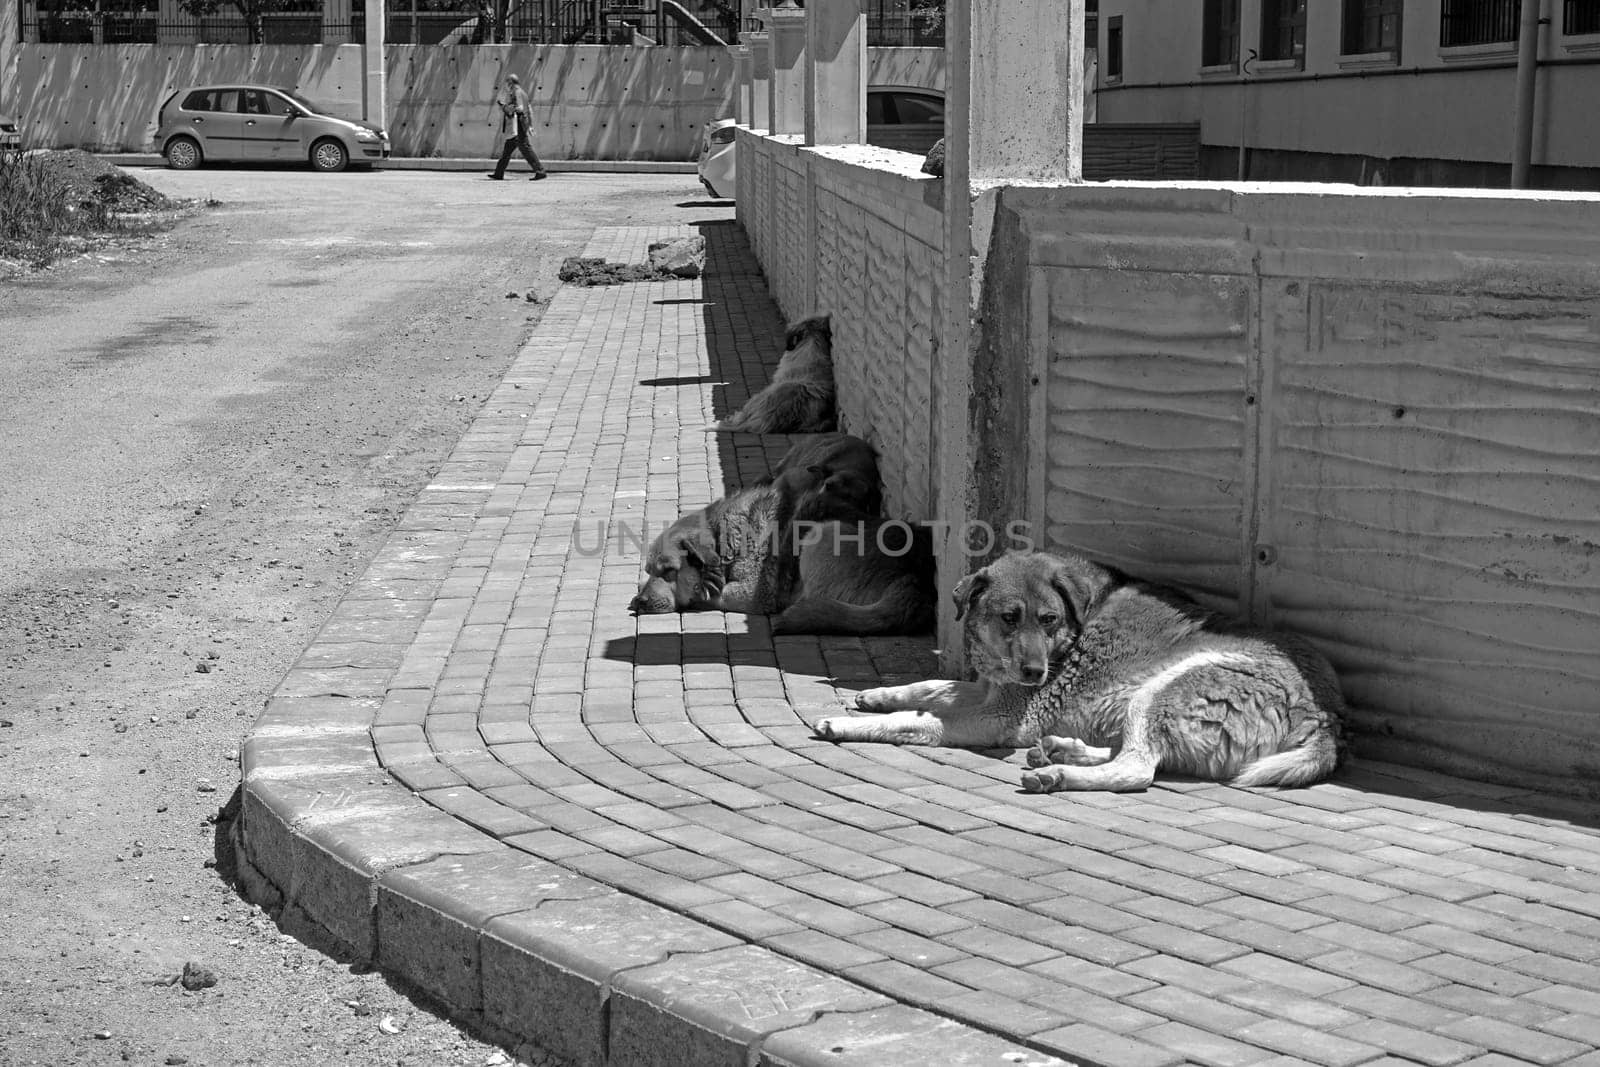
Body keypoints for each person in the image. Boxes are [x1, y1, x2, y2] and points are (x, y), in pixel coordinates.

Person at [488, 73, 547, 181]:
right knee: (508, 149)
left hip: (518, 124)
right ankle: (498, 173)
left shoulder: (516, 92)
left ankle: (540, 171)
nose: (506, 86)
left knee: (525, 148)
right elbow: (529, 109)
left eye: (507, 83)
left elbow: (519, 108)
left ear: (510, 83)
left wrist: (505, 106)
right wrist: (530, 125)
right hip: (520, 124)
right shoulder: (523, 93)